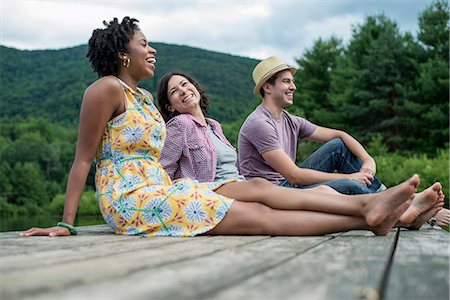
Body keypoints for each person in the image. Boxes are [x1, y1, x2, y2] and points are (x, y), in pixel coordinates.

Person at [19, 17, 439, 238]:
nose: (152, 49)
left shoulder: (144, 99)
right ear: (121, 53)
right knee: (257, 215)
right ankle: (372, 212)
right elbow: (83, 159)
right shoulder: (105, 89)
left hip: (160, 191)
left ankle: (378, 210)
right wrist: (67, 222)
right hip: (129, 199)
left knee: (258, 197)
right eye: (143, 43)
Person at [157, 71, 444, 231]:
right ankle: (401, 212)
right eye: (174, 91)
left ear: (195, 87)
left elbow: (339, 136)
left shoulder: (214, 126)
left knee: (334, 163)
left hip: (244, 187)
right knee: (342, 183)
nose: (183, 90)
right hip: (244, 189)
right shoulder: (181, 125)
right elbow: (164, 170)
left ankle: (389, 207)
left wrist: (367, 162)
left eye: (185, 84)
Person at [238, 55, 449, 226]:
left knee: (339, 148)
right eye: (286, 81)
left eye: (292, 81)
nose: (294, 87)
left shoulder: (290, 121)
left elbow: (340, 136)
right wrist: (353, 176)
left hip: (288, 185)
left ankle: (404, 206)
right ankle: (406, 209)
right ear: (267, 87)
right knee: (348, 183)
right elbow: (295, 175)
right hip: (273, 195)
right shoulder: (259, 123)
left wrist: (367, 160)